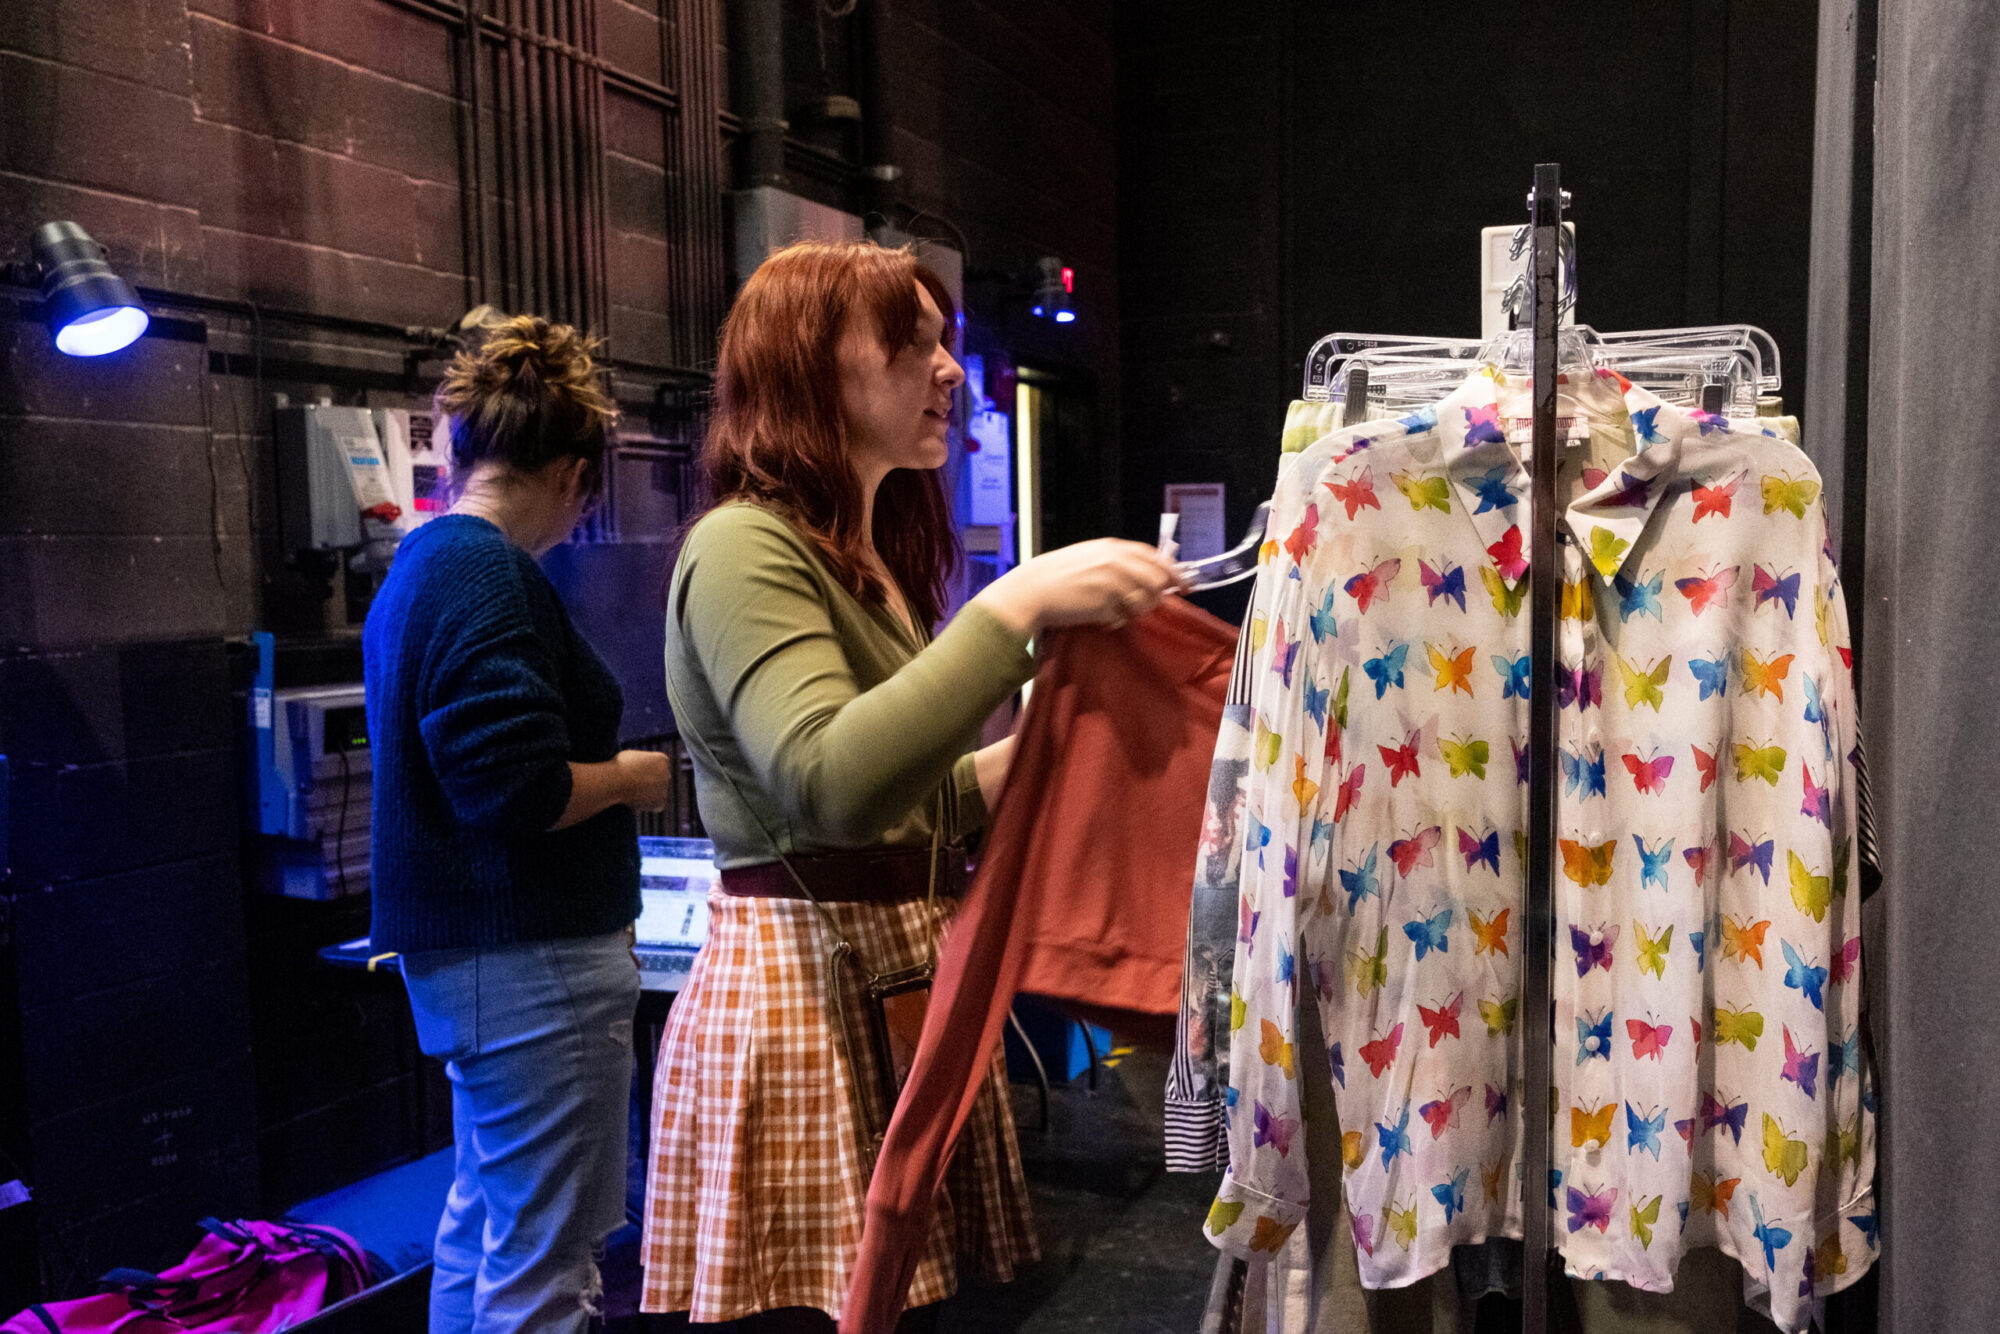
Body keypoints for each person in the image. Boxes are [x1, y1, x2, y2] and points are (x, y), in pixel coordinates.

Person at [639, 240, 1183, 1330]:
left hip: (884, 977)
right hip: (803, 996)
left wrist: (1049, 743)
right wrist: (1014, 612)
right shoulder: (745, 544)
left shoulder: (857, 550)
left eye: (945, 342)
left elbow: (914, 806)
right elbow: (828, 782)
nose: (946, 369)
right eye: (909, 341)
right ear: (807, 364)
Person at [363, 315, 677, 1332]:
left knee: (487, 1228)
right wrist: (634, 776)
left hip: (479, 963)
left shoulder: (417, 568)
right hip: (532, 961)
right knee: (548, 1265)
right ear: (573, 472)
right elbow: (512, 790)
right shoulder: (486, 571)